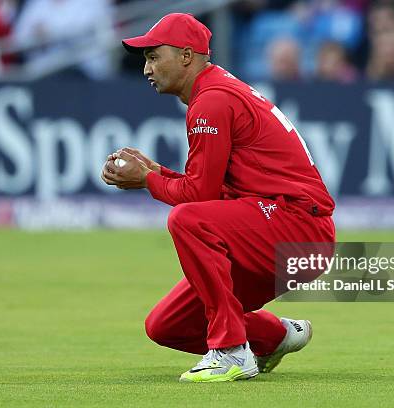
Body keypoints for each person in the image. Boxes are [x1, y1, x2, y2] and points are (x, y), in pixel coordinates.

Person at [101, 13, 335, 383]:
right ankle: (276, 337)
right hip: (280, 227)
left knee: (187, 220)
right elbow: (212, 190)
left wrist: (148, 180)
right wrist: (157, 174)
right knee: (167, 325)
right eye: (145, 58)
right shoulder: (215, 91)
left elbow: (199, 197)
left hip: (297, 228)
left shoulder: (211, 101)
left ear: (186, 56)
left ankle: (229, 351)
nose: (147, 67)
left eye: (153, 56)